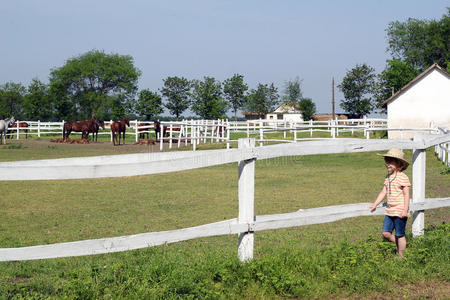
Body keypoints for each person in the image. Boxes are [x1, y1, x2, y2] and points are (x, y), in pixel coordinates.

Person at [369, 148, 411, 258]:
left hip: (400, 210)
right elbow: (384, 192)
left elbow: (406, 194)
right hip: (390, 210)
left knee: (400, 234)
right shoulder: (388, 177)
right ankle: (400, 246)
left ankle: (401, 257)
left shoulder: (403, 177)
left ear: (399, 164)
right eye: (386, 161)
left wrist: (405, 210)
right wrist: (375, 204)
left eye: (390, 161)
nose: (387, 164)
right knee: (386, 233)